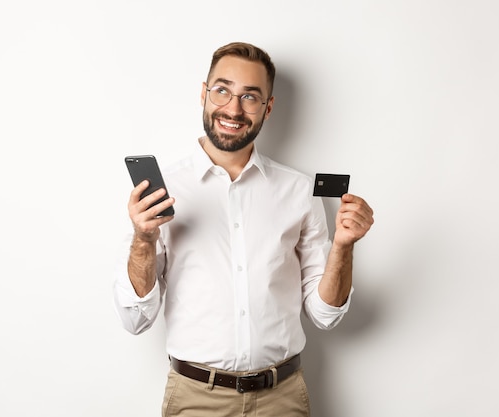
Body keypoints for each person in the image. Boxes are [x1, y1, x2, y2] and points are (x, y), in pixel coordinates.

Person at [113, 41, 374, 417]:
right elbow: (135, 319)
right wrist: (143, 240)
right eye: (222, 90)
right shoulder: (160, 192)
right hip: (195, 400)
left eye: (249, 97)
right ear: (204, 93)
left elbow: (325, 315)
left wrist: (344, 246)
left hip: (281, 399)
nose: (233, 109)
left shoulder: (299, 191)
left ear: (268, 108)